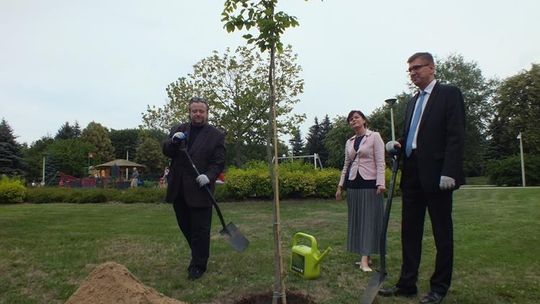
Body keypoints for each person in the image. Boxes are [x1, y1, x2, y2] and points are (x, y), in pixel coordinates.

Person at [379, 52, 465, 304]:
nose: (413, 73)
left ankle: (438, 288)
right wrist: (398, 144)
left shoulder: (449, 94)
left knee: (442, 233)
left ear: (432, 68)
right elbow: (415, 138)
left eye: (417, 68)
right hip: (412, 174)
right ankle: (407, 284)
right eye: (410, 70)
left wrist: (450, 170)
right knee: (410, 231)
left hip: (439, 175)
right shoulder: (412, 101)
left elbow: (456, 135)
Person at [162, 97, 226, 280]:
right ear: (189, 112)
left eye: (201, 111)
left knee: (200, 230)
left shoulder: (216, 135)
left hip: (200, 189)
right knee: (185, 226)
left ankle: (198, 265)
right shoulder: (178, 130)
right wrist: (173, 142)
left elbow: (219, 162)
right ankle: (199, 252)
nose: (197, 114)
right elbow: (166, 151)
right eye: (194, 111)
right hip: (178, 188)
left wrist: (209, 175)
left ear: (207, 113)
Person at [335, 110, 386, 272]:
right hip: (353, 185)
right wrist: (340, 186)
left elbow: (380, 162)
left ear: (364, 120)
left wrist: (381, 183)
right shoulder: (349, 141)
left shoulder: (374, 137)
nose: (353, 121)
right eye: (350, 119)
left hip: (370, 184)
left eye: (356, 117)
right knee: (358, 220)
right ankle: (366, 256)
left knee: (369, 220)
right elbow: (346, 165)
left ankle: (364, 259)